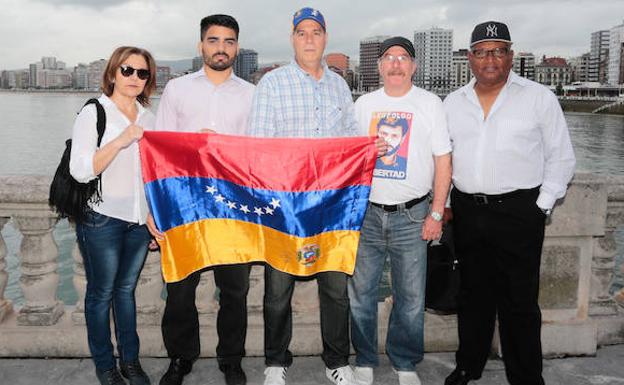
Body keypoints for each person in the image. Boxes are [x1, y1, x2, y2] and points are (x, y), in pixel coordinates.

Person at [249, 7, 384, 385]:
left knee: (336, 288)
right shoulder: (272, 84)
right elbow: (259, 148)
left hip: (331, 206)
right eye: (302, 32)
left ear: (326, 38)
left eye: (316, 32)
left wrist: (376, 148)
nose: (309, 39)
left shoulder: (340, 86)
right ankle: (276, 361)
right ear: (292, 39)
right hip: (286, 205)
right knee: (278, 291)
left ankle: (337, 361)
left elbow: (351, 143)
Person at [442, 21, 576, 385]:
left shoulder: (538, 97)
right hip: (468, 210)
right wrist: (448, 204)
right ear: (470, 58)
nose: (490, 59)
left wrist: (540, 206)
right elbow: (445, 158)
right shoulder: (454, 102)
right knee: (472, 297)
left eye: (498, 50)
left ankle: (526, 376)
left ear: (511, 56)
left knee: (519, 303)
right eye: (482, 51)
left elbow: (561, 158)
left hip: (520, 211)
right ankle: (469, 365)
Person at [146, 14, 255, 385]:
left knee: (235, 291)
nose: (221, 48)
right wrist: (154, 207)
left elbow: (257, 155)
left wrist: (221, 146)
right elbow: (159, 151)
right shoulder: (177, 90)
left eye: (228, 41)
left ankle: (231, 358)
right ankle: (180, 357)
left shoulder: (251, 94)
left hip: (233, 206)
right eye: (213, 40)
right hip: (184, 203)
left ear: (236, 48)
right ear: (201, 46)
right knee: (179, 289)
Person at [348, 36, 452, 385]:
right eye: (388, 58)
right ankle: (363, 358)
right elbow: (345, 155)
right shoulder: (363, 104)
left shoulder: (430, 103)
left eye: (403, 57)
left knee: (410, 296)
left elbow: (443, 160)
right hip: (367, 213)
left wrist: (436, 213)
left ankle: (404, 361)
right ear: (379, 66)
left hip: (412, 214)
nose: (395, 63)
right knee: (361, 293)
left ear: (413, 66)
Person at [70, 46, 157, 385]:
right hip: (102, 218)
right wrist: (121, 139)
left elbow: (152, 174)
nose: (134, 77)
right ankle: (106, 367)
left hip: (137, 222)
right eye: (127, 70)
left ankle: (131, 363)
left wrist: (152, 217)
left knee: (125, 291)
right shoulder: (94, 113)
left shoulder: (149, 117)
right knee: (101, 294)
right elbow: (81, 171)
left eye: (142, 73)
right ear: (112, 73)